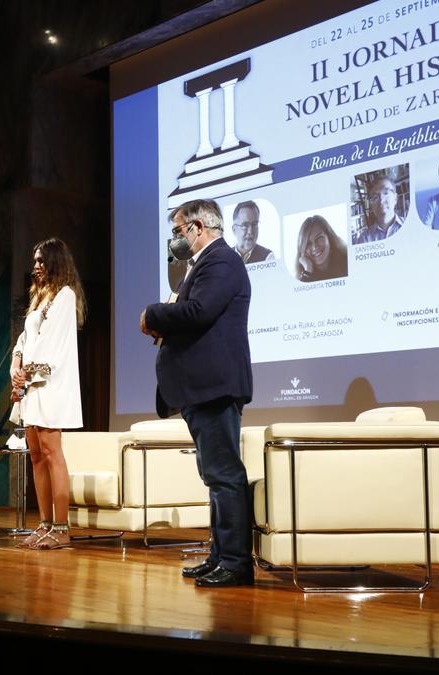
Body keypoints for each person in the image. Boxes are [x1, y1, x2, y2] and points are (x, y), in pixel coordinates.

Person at [140, 199, 253, 588]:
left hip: (215, 386)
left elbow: (200, 311)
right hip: (200, 388)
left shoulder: (221, 260)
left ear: (198, 227)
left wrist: (153, 315)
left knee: (224, 475)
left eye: (177, 230)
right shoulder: (203, 264)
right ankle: (220, 556)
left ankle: (236, 563)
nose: (175, 239)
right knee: (213, 475)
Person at [10, 238, 86, 550]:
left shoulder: (65, 296)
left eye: (42, 261)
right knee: (37, 456)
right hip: (31, 386)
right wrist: (15, 365)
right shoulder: (40, 298)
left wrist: (26, 374)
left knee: (53, 454)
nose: (37, 266)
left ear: (56, 262)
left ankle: (62, 527)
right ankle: (43, 523)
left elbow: (53, 346)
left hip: (49, 385)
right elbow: (26, 338)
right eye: (35, 261)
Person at [295, 215, 348, 282]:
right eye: (308, 243)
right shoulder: (302, 277)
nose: (314, 247)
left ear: (329, 237)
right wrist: (308, 270)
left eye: (319, 238)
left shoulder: (348, 261)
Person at [353, 176, 404, 244]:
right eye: (375, 197)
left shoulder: (411, 226)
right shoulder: (364, 239)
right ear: (371, 205)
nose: (381, 201)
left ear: (395, 198)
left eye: (386, 193)